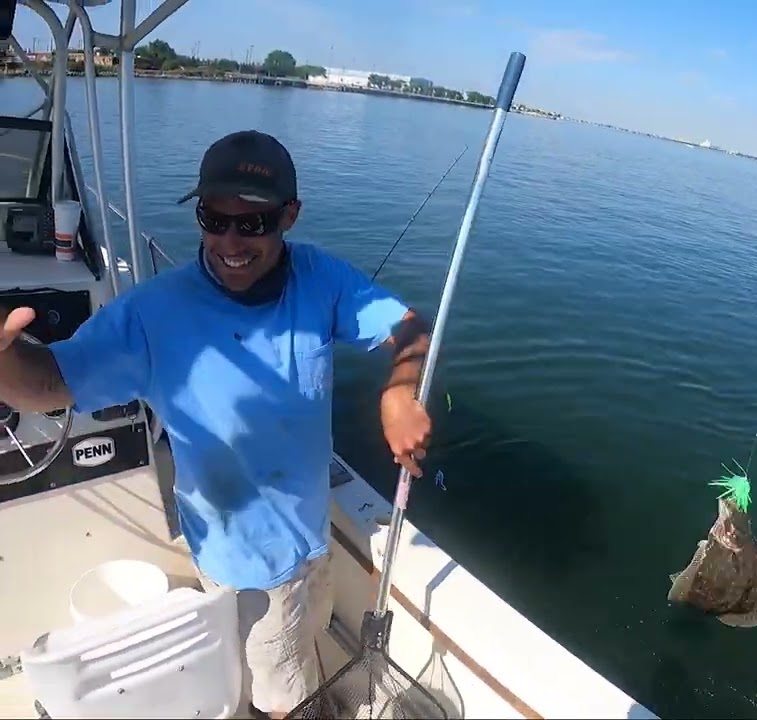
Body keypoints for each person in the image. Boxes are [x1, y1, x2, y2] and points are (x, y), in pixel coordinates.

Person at [0, 129, 435, 719]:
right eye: (212, 218)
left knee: (289, 661)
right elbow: (49, 384)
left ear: (289, 216)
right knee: (279, 690)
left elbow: (409, 327)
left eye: (252, 223)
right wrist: (5, 361)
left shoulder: (323, 278)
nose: (229, 241)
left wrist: (399, 393)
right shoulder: (153, 312)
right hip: (230, 555)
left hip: (299, 549)